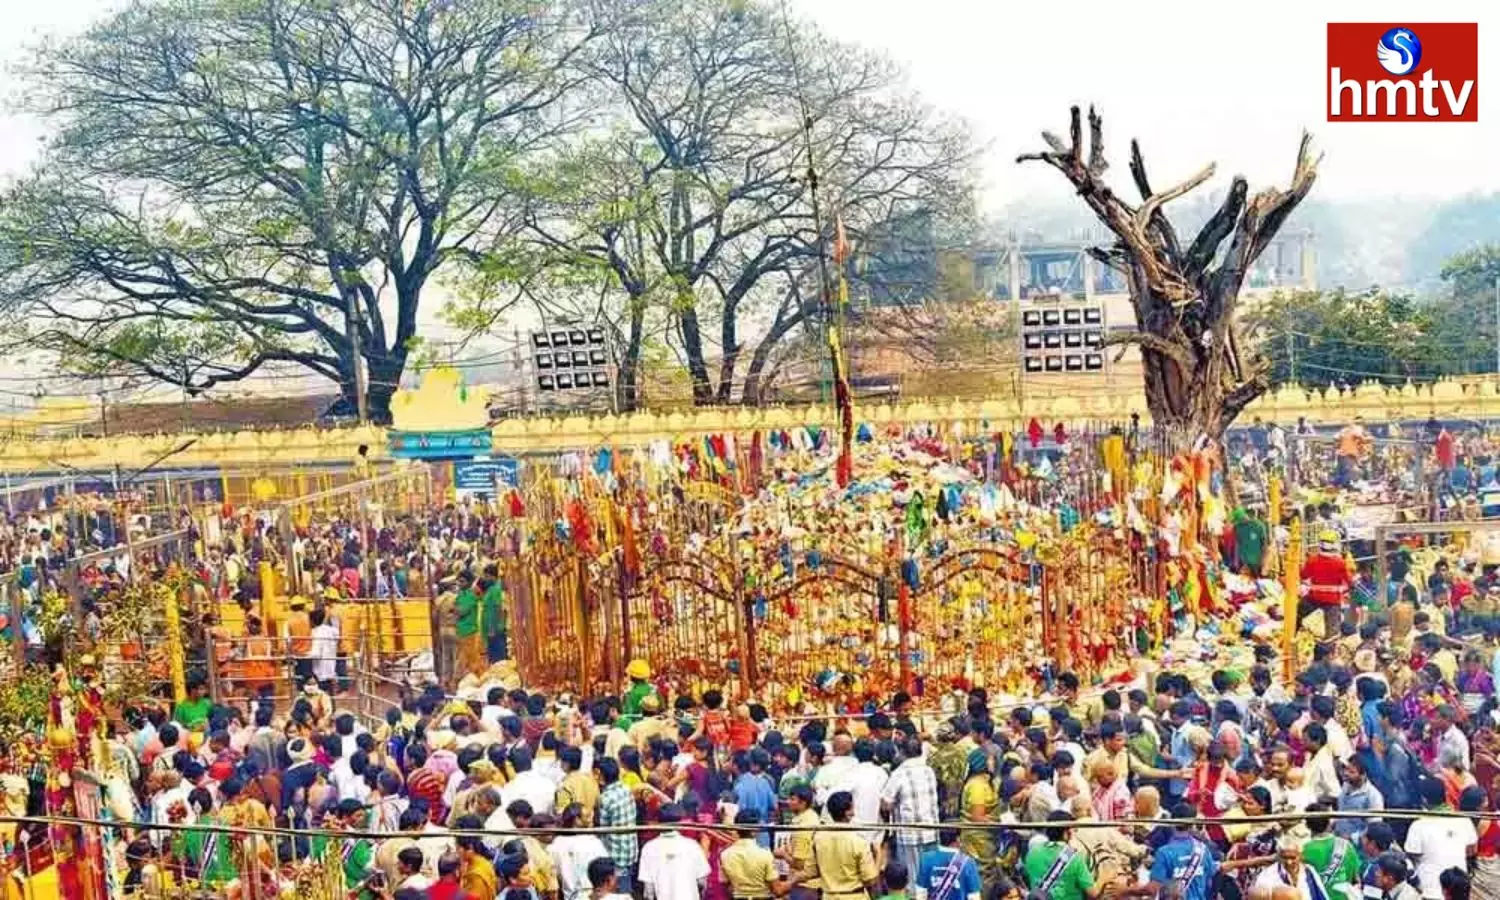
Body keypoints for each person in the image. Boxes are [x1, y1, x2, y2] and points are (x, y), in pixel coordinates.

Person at [1405, 779, 1477, 900]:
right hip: (1457, 892)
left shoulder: (1418, 826)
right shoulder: (1465, 820)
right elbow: (1472, 851)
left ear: (1423, 800)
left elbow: (1411, 855)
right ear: (1446, 795)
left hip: (1430, 891)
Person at [884, 736, 940, 878]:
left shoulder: (899, 774)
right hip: (931, 831)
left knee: (914, 878)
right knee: (932, 876)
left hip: (910, 835)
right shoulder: (929, 771)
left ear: (902, 752)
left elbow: (886, 804)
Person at [809, 791, 879, 900]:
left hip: (828, 896)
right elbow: (870, 879)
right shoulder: (859, 842)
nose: (854, 813)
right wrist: (878, 856)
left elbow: (812, 870)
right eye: (852, 809)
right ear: (847, 813)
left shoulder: (818, 838)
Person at [637, 803, 710, 900]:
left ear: (659, 822)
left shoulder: (648, 848)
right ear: (680, 822)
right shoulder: (692, 846)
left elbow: (648, 891)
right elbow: (702, 882)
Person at [1022, 811, 1097, 900]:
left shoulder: (1032, 853)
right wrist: (1105, 879)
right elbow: (1093, 893)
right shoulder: (1074, 858)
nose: (1074, 833)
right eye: (1072, 829)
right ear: (1066, 832)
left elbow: (1027, 878)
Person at [719, 809, 784, 900]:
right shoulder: (765, 854)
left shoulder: (725, 855)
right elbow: (777, 890)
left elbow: (725, 883)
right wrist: (795, 880)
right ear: (755, 830)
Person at [914, 828, 982, 900]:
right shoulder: (968, 862)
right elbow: (974, 896)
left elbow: (920, 893)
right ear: (958, 839)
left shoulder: (926, 858)